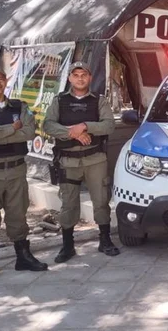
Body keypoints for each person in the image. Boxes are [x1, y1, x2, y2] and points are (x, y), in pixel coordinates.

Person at [43, 61, 119, 263]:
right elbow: (48, 125)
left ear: (90, 77)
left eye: (83, 74)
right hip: (67, 161)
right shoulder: (60, 101)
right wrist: (73, 133)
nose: (79, 78)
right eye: (75, 75)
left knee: (101, 201)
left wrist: (85, 126)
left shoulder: (99, 101)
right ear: (69, 78)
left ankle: (105, 240)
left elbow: (109, 125)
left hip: (95, 159)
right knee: (68, 204)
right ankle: (68, 245)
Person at [0, 66, 48, 285]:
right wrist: (11, 129)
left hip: (17, 170)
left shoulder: (19, 106)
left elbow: (28, 132)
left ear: (6, 82)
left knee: (18, 217)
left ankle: (23, 258)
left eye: (0, 79)